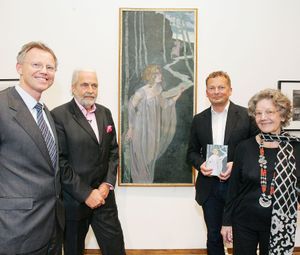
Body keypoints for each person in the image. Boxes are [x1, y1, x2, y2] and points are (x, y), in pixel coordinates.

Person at [0, 42, 103, 255]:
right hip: (15, 229)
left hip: (52, 227)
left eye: (50, 67)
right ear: (19, 68)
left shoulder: (45, 112)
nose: (44, 71)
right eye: (36, 64)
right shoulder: (3, 105)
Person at [51, 69, 125, 255]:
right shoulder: (58, 116)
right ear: (73, 88)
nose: (90, 90)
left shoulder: (105, 113)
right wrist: (85, 193)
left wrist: (107, 185)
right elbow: (60, 161)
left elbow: (113, 151)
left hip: (104, 197)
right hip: (74, 201)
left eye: (94, 85)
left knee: (115, 249)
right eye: (85, 85)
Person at [221, 89, 300, 255]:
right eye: (258, 113)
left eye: (269, 112)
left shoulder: (296, 148)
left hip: (279, 223)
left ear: (283, 115)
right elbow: (233, 188)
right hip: (244, 222)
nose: (263, 118)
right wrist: (226, 223)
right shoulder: (244, 147)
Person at [186, 71, 257, 255]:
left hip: (240, 188)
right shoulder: (198, 119)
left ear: (230, 90)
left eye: (221, 87)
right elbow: (191, 152)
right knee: (214, 236)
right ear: (206, 92)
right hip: (209, 189)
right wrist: (200, 164)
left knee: (243, 236)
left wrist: (237, 164)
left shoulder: (246, 116)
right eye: (212, 88)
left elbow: (257, 150)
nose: (216, 91)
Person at [125, 64, 184, 183]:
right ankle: (140, 185)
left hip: (153, 130)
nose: (160, 75)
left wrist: (178, 94)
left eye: (159, 73)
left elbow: (165, 105)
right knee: (141, 157)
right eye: (156, 74)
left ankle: (147, 183)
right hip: (140, 129)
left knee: (150, 156)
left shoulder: (158, 90)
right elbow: (131, 107)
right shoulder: (141, 92)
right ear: (150, 76)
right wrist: (131, 128)